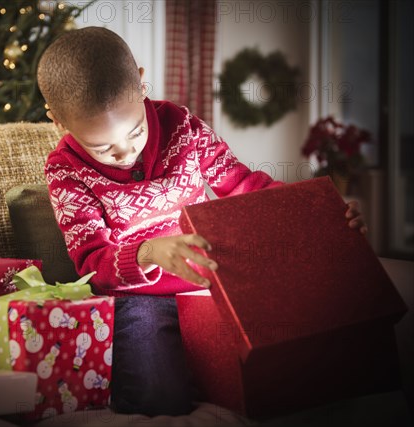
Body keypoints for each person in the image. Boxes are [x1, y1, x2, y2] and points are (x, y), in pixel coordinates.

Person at [37, 27, 367, 416]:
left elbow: (245, 187)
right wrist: (146, 253)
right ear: (58, 122)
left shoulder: (182, 127)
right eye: (103, 147)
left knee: (288, 367)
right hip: (139, 299)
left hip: (212, 284)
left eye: (136, 131)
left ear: (142, 86)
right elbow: (93, 263)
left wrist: (321, 214)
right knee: (158, 398)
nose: (125, 153)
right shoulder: (65, 171)